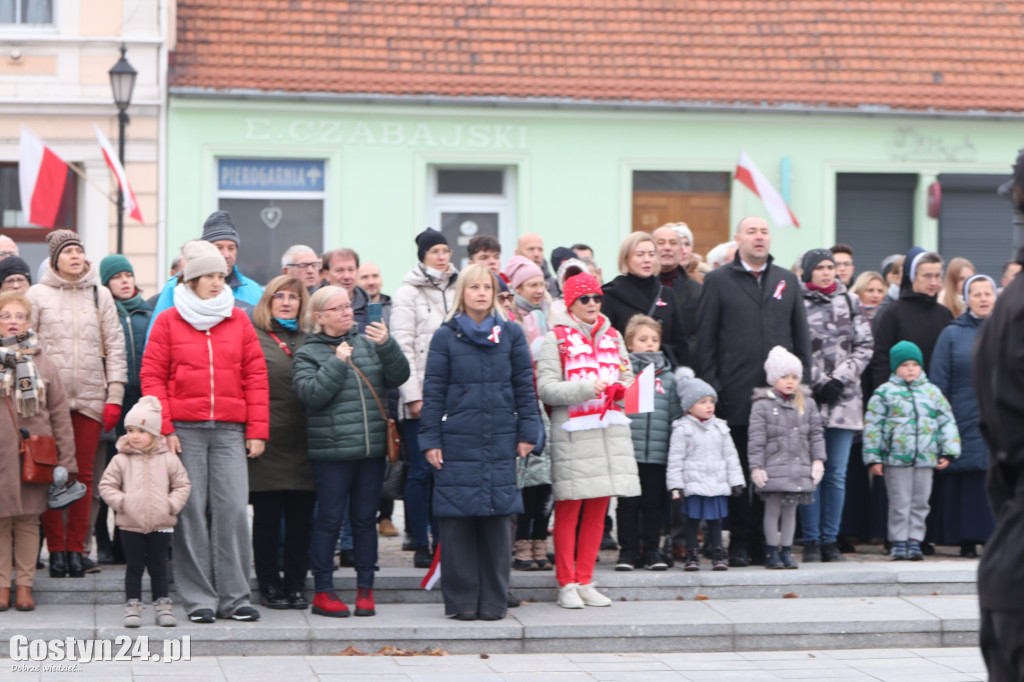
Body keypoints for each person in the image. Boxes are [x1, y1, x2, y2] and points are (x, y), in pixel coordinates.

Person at [140, 240, 269, 623]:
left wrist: (257, 429)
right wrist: (164, 428)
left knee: (231, 511)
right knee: (191, 513)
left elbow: (256, 377)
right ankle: (198, 599)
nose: (218, 281)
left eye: (220, 275)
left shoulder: (238, 319)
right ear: (192, 278)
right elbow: (152, 376)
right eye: (210, 275)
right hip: (184, 430)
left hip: (230, 430)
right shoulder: (167, 320)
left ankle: (235, 596)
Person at [419, 264, 539, 620]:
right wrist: (430, 439)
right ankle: (461, 603)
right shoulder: (446, 336)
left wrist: (528, 431)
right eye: (474, 287)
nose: (481, 293)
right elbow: (434, 391)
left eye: (487, 287)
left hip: (501, 438)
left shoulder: (512, 334)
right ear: (463, 293)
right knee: (457, 523)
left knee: (497, 522)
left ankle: (492, 602)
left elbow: (524, 386)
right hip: (457, 440)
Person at [694, 216, 811, 567]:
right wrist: (714, 389)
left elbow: (800, 337)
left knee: (772, 474)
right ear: (738, 239)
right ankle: (741, 542)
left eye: (764, 232)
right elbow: (705, 341)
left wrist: (801, 389)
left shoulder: (787, 281)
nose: (759, 238)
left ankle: (766, 543)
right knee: (741, 473)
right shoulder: (717, 281)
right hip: (736, 394)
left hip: (779, 399)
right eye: (752, 232)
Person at [293, 285, 409, 618]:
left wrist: (386, 344)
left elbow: (399, 375)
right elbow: (311, 396)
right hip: (332, 454)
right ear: (320, 317)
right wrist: (336, 363)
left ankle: (365, 590)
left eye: (349, 307)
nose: (348, 312)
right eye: (339, 308)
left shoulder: (367, 342)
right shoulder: (308, 353)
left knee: (364, 521)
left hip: (370, 450)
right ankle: (324, 592)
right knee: (329, 521)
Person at [536, 273, 640, 609]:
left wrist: (624, 387)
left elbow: (626, 374)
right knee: (570, 508)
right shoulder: (557, 339)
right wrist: (586, 387)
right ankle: (566, 582)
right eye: (585, 299)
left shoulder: (613, 336)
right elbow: (546, 388)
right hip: (574, 433)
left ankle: (585, 578)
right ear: (571, 303)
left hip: (609, 431)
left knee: (598, 510)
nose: (593, 304)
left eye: (596, 297)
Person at [28, 230, 127, 578]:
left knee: (83, 477)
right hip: (47, 403)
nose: (76, 257)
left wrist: (114, 396)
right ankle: (56, 551)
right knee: (53, 476)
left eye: (80, 251)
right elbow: (28, 349)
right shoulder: (36, 295)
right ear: (55, 259)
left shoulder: (99, 296)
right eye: (68, 251)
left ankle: (76, 549)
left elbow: (115, 348)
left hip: (89, 398)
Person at [0, 291, 77, 611]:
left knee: (29, 522)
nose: (13, 321)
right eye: (6, 315)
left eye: (19, 316)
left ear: (28, 321)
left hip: (34, 456)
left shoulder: (43, 361)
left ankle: (25, 586)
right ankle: (3, 585)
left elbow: (59, 413)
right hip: (2, 457)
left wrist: (67, 461)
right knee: (1, 522)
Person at [798, 249, 874, 563]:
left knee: (836, 473)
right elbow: (793, 347)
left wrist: (839, 379)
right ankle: (812, 540)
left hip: (844, 400)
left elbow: (865, 345)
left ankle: (831, 540)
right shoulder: (797, 303)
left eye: (832, 267)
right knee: (809, 472)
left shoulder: (852, 302)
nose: (828, 273)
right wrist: (819, 381)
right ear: (808, 273)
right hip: (809, 399)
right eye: (821, 268)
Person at [391, 228, 458, 568]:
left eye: (446, 250)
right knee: (419, 471)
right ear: (423, 256)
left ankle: (444, 538)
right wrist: (413, 395)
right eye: (435, 251)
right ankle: (419, 541)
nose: (442, 256)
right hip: (421, 396)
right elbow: (403, 346)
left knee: (446, 469)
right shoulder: (407, 293)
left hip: (454, 397)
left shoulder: (460, 286)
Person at [248, 276, 315, 610]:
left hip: (304, 441)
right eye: (280, 296)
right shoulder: (254, 336)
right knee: (267, 521)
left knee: (302, 521)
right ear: (268, 301)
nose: (286, 302)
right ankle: (269, 585)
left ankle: (295, 585)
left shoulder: (310, 338)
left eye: (294, 297)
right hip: (268, 441)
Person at [98, 397, 191, 628]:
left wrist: (171, 505)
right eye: (130, 430)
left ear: (154, 433)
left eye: (141, 430)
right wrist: (123, 502)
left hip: (162, 523)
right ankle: (133, 605)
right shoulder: (121, 460)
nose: (135, 435)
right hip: (130, 523)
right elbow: (106, 486)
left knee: (159, 566)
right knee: (134, 566)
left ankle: (163, 605)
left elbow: (182, 484)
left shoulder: (168, 459)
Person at [864, 341, 960, 560]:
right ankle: (898, 541)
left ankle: (915, 540)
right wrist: (873, 457)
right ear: (895, 367)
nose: (910, 369)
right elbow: (872, 426)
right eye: (905, 364)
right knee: (900, 501)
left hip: (926, 458)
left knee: (920, 501)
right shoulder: (884, 393)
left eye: (914, 364)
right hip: (896, 459)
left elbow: (947, 421)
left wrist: (948, 452)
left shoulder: (932, 392)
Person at [929, 275, 997, 557]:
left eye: (987, 293)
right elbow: (939, 380)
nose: (983, 299)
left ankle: (996, 538)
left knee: (996, 476)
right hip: (963, 416)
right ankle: (967, 539)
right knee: (967, 478)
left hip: (1000, 418)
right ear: (966, 299)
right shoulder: (952, 334)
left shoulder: (1009, 331)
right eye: (976, 294)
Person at [748, 346, 826, 570]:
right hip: (773, 468)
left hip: (798, 468)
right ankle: (772, 551)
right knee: (772, 510)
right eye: (784, 376)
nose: (790, 381)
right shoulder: (762, 405)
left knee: (791, 511)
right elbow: (756, 439)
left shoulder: (807, 404)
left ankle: (787, 551)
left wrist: (818, 460)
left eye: (794, 376)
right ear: (774, 378)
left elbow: (816, 434)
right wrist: (757, 467)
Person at [616, 315, 681, 571]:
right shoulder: (624, 374)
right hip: (629, 452)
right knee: (628, 503)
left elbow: (674, 416)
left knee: (654, 504)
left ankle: (652, 550)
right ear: (630, 343)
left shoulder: (668, 378)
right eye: (643, 339)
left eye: (654, 340)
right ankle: (628, 551)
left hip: (657, 454)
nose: (650, 344)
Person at [667, 368, 745, 571]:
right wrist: (676, 486)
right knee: (692, 520)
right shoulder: (682, 430)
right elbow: (675, 459)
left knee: (715, 520)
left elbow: (731, 456)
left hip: (716, 483)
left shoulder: (721, 428)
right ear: (689, 407)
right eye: (702, 402)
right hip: (693, 484)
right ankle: (692, 554)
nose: (709, 406)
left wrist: (736, 480)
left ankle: (718, 552)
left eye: (711, 401)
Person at [148, 212, 265, 335]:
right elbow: (155, 338)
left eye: (231, 248)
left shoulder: (254, 290)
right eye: (219, 248)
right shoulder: (177, 286)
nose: (226, 255)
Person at [868, 248, 952, 394]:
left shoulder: (945, 314)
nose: (933, 282)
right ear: (913, 276)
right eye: (927, 276)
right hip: (899, 402)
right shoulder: (892, 313)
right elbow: (880, 361)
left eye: (938, 276)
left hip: (937, 400)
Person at [601, 231, 688, 367]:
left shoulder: (666, 294)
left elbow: (680, 342)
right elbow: (605, 342)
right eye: (640, 254)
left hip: (663, 373)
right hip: (627, 373)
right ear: (626, 259)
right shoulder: (611, 294)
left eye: (651, 254)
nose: (647, 259)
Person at [653, 224, 701, 354]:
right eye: (661, 243)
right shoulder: (637, 286)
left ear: (680, 250)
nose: (667, 248)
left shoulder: (697, 291)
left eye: (673, 243)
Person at [319, 248, 370, 330]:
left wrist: (385, 341)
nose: (347, 276)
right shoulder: (313, 306)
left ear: (357, 272)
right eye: (339, 270)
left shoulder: (370, 306)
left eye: (351, 270)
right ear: (326, 274)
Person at [357, 262, 392, 326]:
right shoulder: (351, 310)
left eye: (375, 276)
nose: (371, 282)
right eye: (365, 277)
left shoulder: (393, 309)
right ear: (356, 282)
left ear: (381, 280)